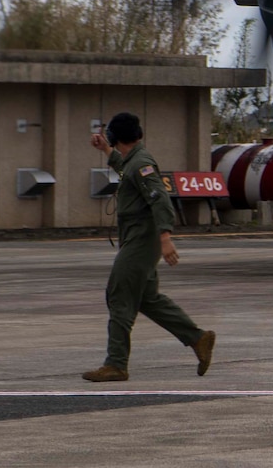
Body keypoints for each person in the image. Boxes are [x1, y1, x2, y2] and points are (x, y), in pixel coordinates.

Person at [81, 111, 215, 382]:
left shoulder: (142, 163)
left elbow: (159, 199)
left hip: (142, 240)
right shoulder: (134, 161)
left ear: (115, 136)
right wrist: (107, 150)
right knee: (147, 299)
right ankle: (198, 338)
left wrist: (165, 237)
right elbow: (125, 170)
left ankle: (116, 364)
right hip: (137, 238)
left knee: (119, 295)